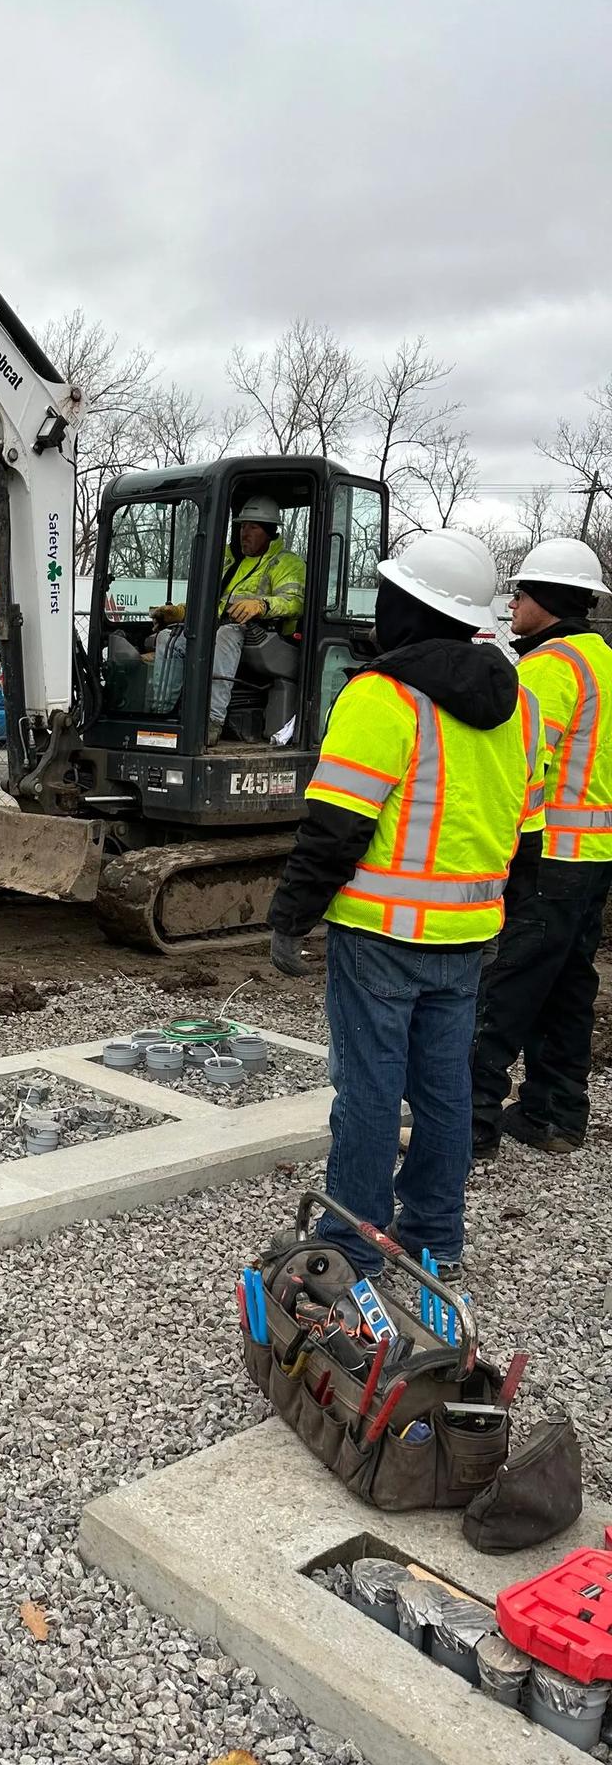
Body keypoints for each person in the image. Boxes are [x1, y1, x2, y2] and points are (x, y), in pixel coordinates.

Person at [267, 528, 542, 1282]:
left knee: (369, 1092)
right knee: (444, 1089)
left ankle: (353, 1248)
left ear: (408, 609)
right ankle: (434, 1239)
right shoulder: (519, 704)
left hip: (380, 934)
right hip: (468, 934)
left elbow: (336, 827)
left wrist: (290, 916)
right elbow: (527, 827)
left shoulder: (381, 696)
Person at [472, 538, 612, 1159]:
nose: (512, 606)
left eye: (520, 595)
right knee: (567, 986)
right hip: (593, 858)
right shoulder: (602, 659)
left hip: (547, 855)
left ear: (546, 601)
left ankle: (469, 1124)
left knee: (505, 988)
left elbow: (520, 762)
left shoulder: (551, 667)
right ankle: (554, 1115)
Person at [209, 496, 306, 742]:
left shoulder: (286, 563)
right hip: (228, 629)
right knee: (171, 637)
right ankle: (164, 712)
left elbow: (295, 602)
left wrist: (262, 605)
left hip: (270, 638)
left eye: (253, 527)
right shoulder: (232, 562)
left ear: (270, 531)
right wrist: (183, 612)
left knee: (226, 635)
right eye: (243, 526)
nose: (245, 533)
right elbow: (216, 605)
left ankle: (211, 720)